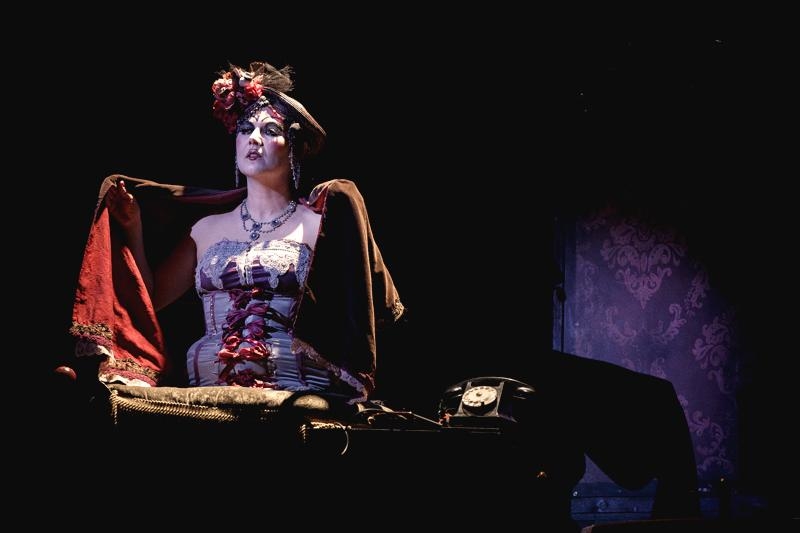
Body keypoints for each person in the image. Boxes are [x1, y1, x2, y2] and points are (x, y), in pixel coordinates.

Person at [69, 61, 404, 402]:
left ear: (293, 147)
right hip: (208, 400)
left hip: (297, 400)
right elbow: (149, 300)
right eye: (245, 128)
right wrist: (133, 229)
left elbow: (357, 309)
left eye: (270, 130)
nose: (254, 139)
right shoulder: (206, 229)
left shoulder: (319, 225)